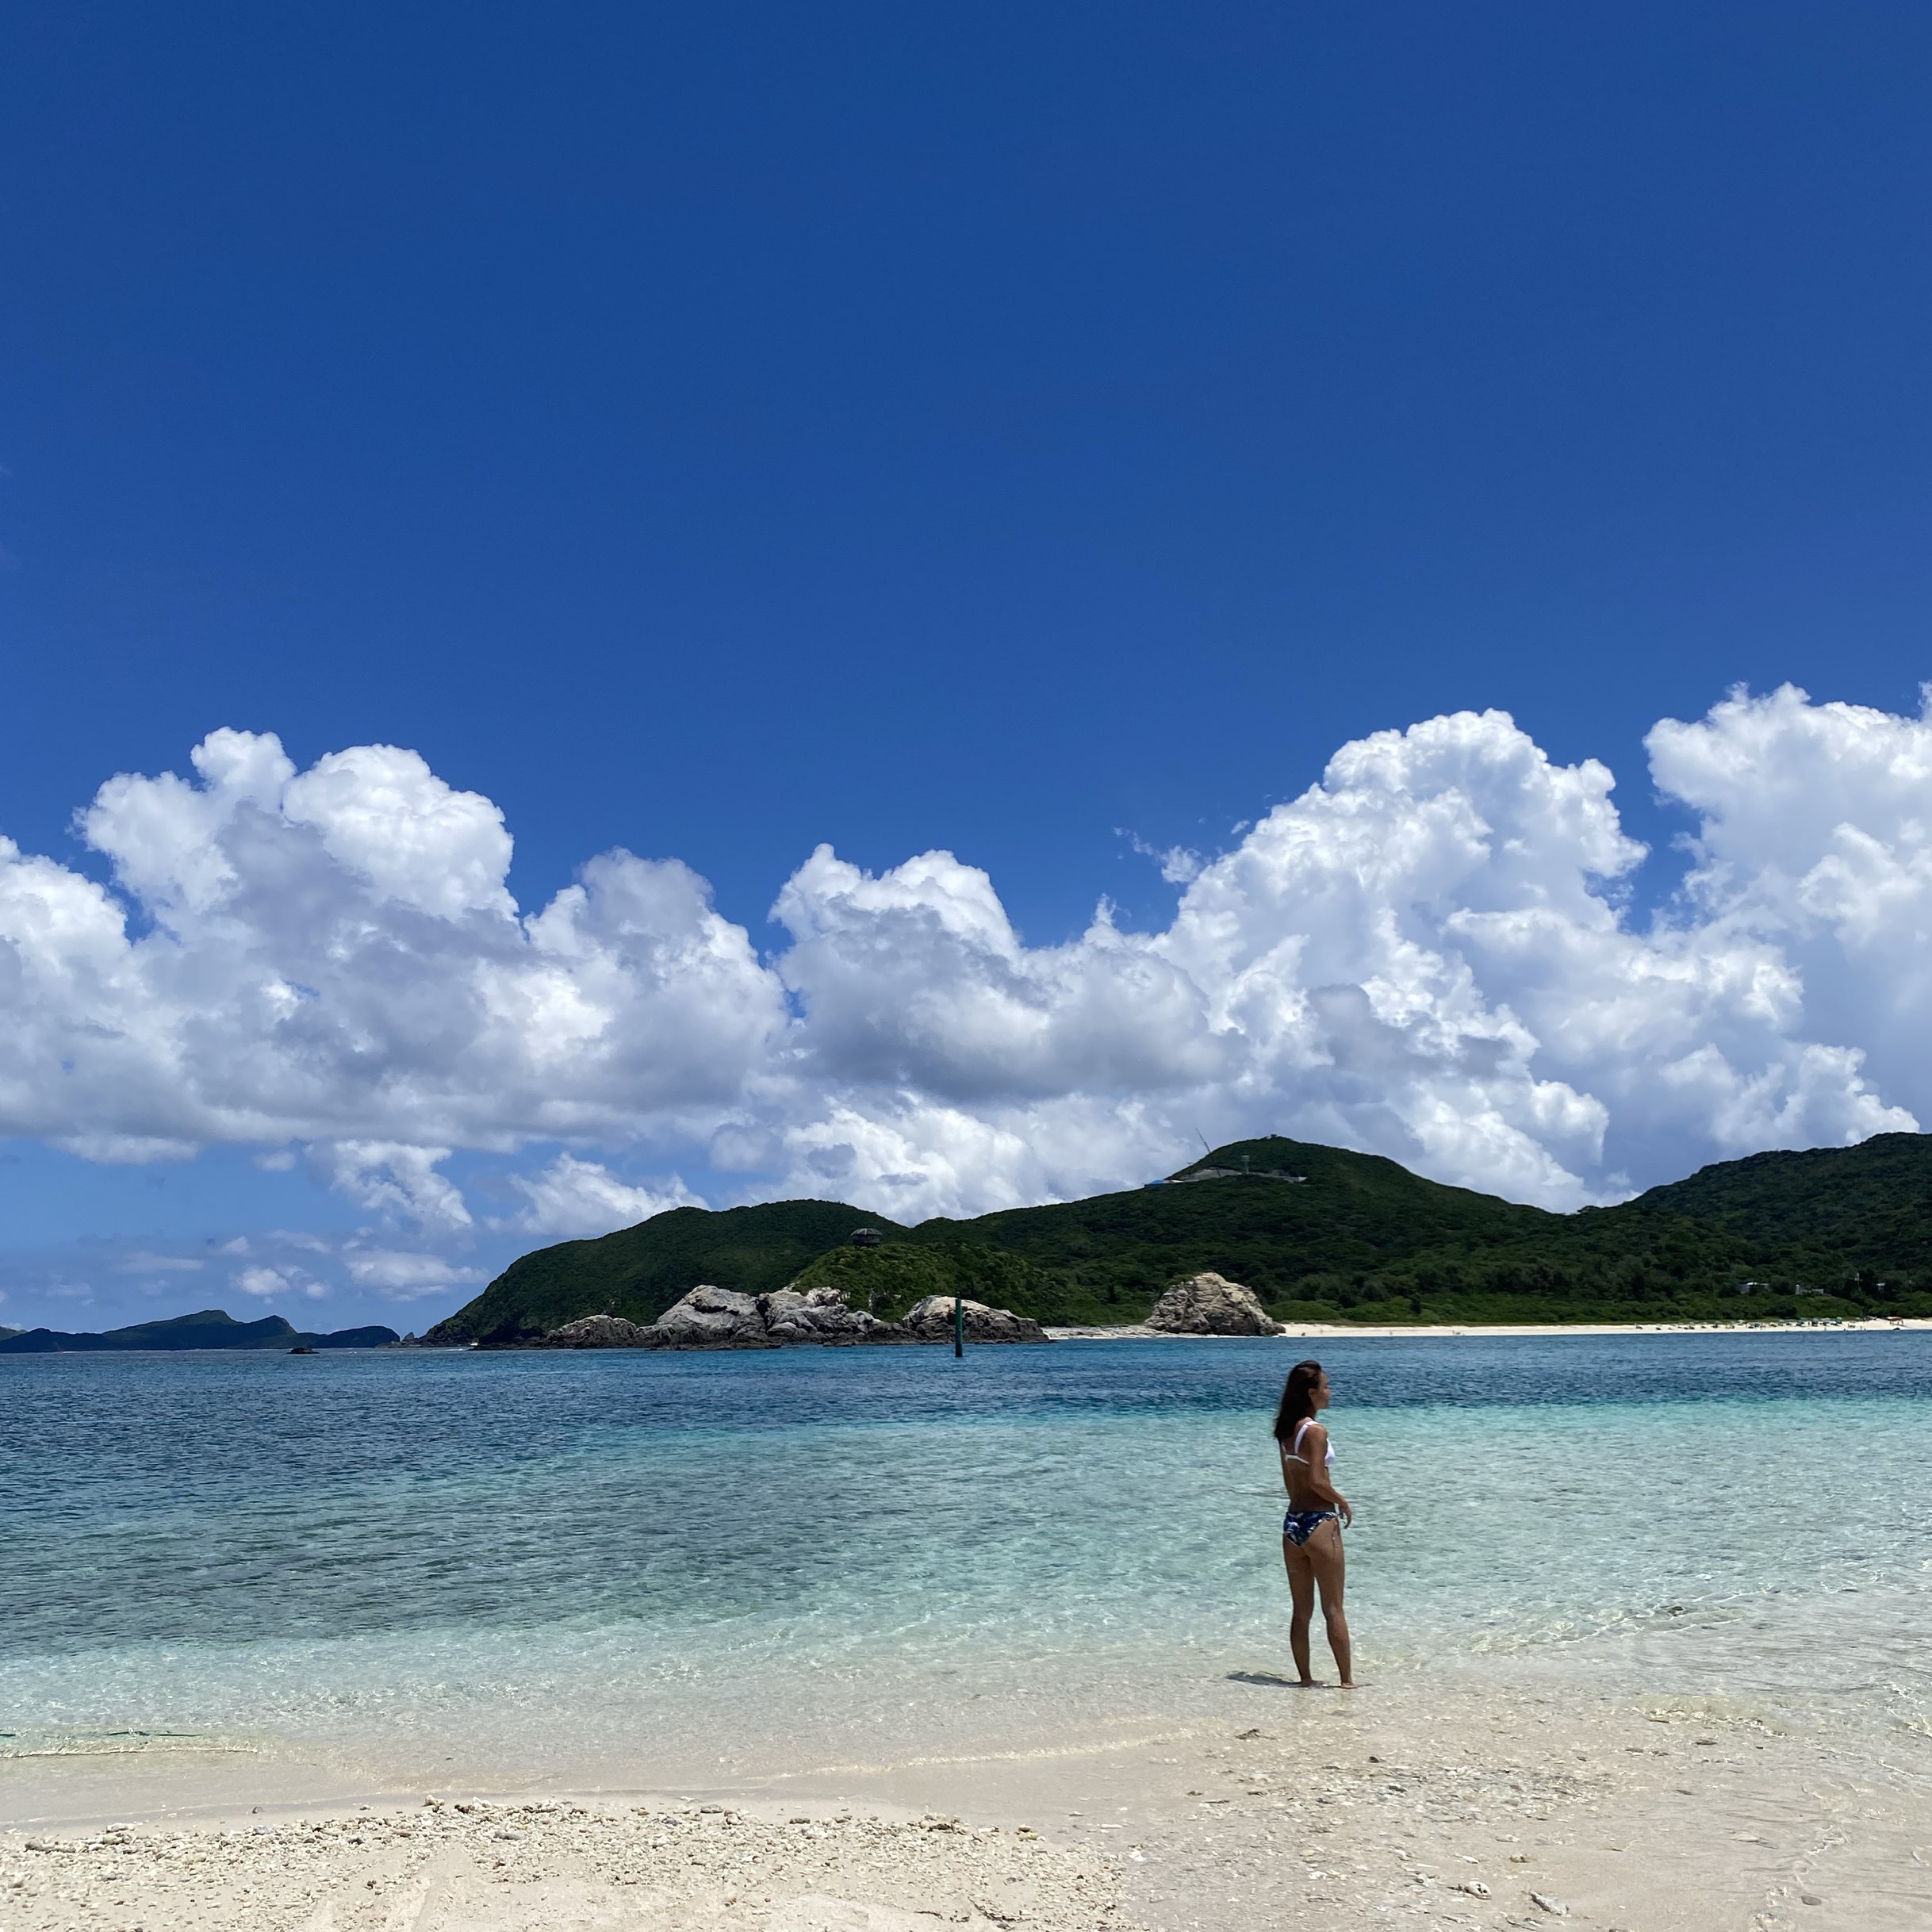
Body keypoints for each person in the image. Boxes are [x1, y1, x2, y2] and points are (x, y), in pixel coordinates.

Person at [1274, 1359, 1353, 1688]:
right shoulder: (1316, 1431)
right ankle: (1347, 1681)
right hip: (1319, 1521)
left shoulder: (1285, 1432)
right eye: (1326, 1386)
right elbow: (1319, 1479)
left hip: (1292, 1524)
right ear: (1312, 1392)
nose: (1330, 1391)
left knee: (1301, 1611)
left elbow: (1290, 1482)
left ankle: (1305, 1679)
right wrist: (1343, 1502)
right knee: (1334, 1608)